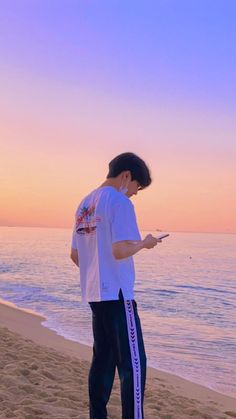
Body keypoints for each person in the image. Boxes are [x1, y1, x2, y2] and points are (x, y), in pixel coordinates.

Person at [70, 152, 161, 419]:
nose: (134, 193)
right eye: (137, 187)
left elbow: (76, 256)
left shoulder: (84, 204)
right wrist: (145, 243)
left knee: (103, 360)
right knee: (133, 364)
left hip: (95, 294)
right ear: (126, 176)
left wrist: (98, 272)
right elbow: (120, 250)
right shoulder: (119, 202)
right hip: (119, 295)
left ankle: (97, 415)